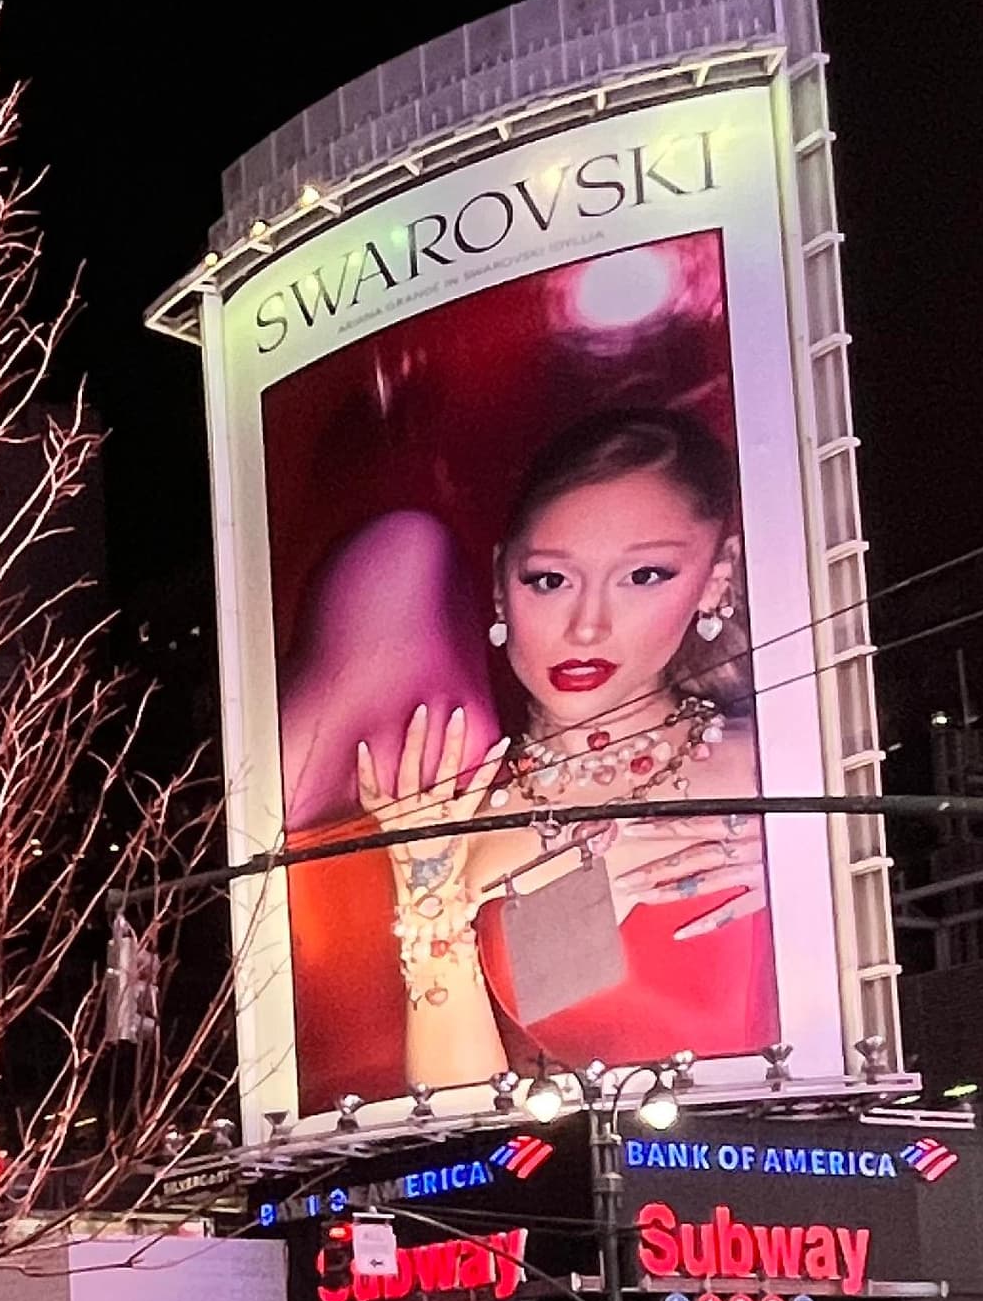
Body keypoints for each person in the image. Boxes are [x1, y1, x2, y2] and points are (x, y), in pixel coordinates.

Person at [298, 407, 772, 1097]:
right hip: (577, 1163)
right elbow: (459, 1111)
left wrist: (809, 873)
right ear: (501, 581)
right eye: (549, 580)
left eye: (645, 575)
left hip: (800, 1153)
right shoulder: (462, 817)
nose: (587, 626)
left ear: (716, 577)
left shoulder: (778, 763)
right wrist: (433, 897)